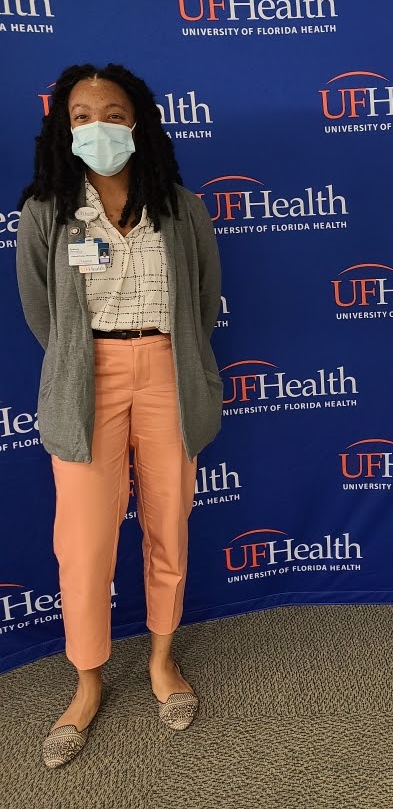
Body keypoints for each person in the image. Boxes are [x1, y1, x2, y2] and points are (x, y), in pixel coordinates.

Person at [16, 63, 223, 769]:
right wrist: (86, 360)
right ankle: (87, 682)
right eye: (81, 115)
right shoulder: (46, 211)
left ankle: (163, 661)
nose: (97, 125)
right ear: (63, 127)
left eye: (112, 111)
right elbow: (42, 311)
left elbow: (205, 299)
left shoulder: (180, 206)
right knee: (83, 543)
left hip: (167, 372)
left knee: (168, 521)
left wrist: (171, 357)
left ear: (137, 121)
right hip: (87, 382)